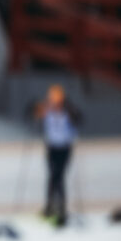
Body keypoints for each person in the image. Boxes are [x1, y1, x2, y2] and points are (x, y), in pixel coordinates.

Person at [34, 83, 81, 224]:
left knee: (59, 178)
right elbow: (33, 113)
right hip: (52, 148)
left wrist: (69, 112)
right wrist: (39, 110)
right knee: (51, 178)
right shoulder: (46, 110)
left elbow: (79, 118)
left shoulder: (68, 111)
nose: (55, 103)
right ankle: (49, 208)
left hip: (64, 149)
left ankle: (61, 210)